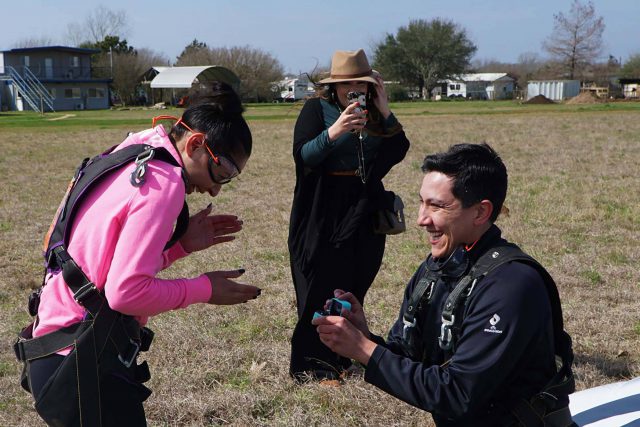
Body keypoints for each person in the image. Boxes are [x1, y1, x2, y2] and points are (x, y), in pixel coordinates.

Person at [15, 82, 261, 426]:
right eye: (221, 173)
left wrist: (180, 246)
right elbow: (126, 293)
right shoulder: (165, 183)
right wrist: (205, 289)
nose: (215, 189)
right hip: (82, 362)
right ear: (194, 143)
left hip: (54, 350)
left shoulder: (138, 150)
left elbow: (105, 270)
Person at [313, 143, 576, 426]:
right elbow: (409, 358)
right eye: (422, 202)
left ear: (480, 212)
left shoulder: (512, 285)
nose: (420, 219)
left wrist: (364, 349)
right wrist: (364, 336)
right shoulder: (435, 270)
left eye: (437, 206)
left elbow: (457, 394)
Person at [288, 49, 410, 380]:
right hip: (323, 208)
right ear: (333, 86)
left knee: (355, 279)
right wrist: (336, 131)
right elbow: (304, 156)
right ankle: (313, 366)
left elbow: (398, 149)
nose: (353, 88)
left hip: (363, 208)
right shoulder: (318, 109)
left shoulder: (373, 114)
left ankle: (345, 354)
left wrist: (385, 111)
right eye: (347, 83)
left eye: (362, 82)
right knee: (321, 283)